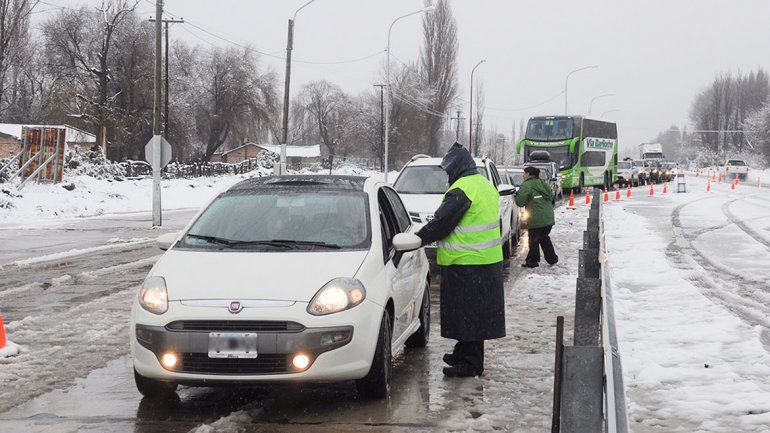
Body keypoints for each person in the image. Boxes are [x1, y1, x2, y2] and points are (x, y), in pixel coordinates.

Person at [416, 143, 505, 377]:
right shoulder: (483, 185)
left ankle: (471, 364)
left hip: (467, 263)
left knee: (468, 316)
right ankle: (462, 351)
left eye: (448, 170)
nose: (447, 175)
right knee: (473, 315)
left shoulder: (462, 189)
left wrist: (419, 237)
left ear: (456, 168)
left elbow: (442, 223)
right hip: (485, 261)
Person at [515, 166, 558, 268]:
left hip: (536, 218)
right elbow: (551, 197)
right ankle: (552, 259)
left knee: (534, 240)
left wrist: (517, 196)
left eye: (524, 173)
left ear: (529, 174)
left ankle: (533, 261)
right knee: (543, 238)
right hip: (548, 217)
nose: (523, 175)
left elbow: (520, 202)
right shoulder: (542, 183)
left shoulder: (527, 185)